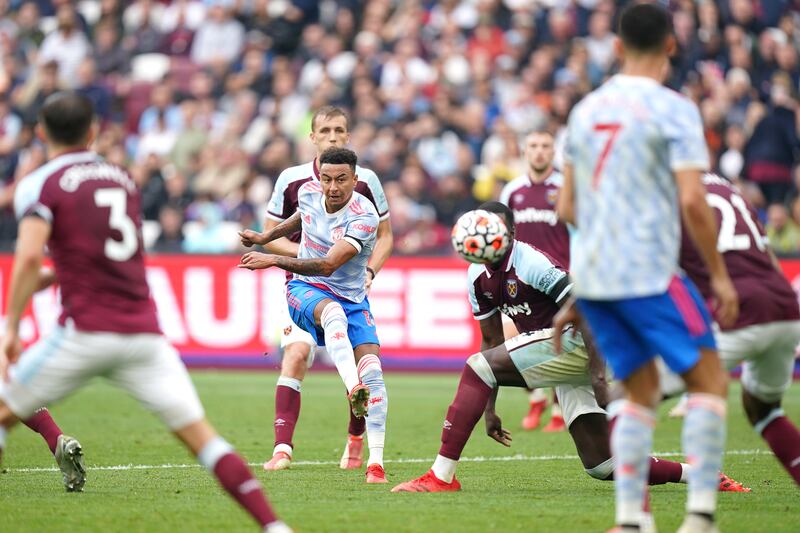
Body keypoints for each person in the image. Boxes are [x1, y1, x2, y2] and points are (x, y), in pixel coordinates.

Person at [0, 92, 289, 532]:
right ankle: (276, 528)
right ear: (93, 132)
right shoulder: (122, 178)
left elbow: (25, 258)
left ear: (40, 134)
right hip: (144, 337)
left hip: (83, 334)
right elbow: (90, 256)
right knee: (205, 442)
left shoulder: (39, 183)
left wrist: (11, 324)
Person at [391, 202, 744, 496]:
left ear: (511, 233)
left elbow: (587, 312)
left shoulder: (533, 263)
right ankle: (700, 473)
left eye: (495, 228)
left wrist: (598, 377)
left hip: (587, 343)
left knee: (475, 365)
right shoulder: (475, 276)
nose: (488, 235)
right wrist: (488, 408)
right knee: (602, 465)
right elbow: (491, 342)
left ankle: (441, 476)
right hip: (563, 353)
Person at [554, 5, 738, 533]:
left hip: (598, 277)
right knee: (709, 382)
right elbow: (694, 201)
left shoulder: (586, 110)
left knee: (636, 392)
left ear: (616, 46)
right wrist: (720, 275)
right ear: (671, 46)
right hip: (651, 272)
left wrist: (583, 287)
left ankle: (633, 521)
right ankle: (700, 516)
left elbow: (568, 207)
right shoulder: (674, 108)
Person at [240, 105, 392, 473]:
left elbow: (386, 236)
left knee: (364, 365)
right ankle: (282, 449)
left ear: (349, 135)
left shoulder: (366, 182)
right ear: (312, 137)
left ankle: (356, 440)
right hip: (303, 282)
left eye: (340, 130)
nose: (333, 137)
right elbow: (274, 233)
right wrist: (303, 252)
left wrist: (369, 269)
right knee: (295, 355)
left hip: (348, 283)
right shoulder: (293, 181)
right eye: (325, 131)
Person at [668, 173, 800, 486]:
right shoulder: (727, 187)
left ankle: (642, 519)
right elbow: (765, 251)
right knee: (762, 408)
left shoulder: (666, 193)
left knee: (629, 397)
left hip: (734, 311)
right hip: (783, 306)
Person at [500, 128, 570, 432]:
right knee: (512, 338)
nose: (539, 151)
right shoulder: (512, 191)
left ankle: (557, 409)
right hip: (520, 279)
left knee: (558, 342)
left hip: (557, 278)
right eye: (534, 146)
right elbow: (502, 234)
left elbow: (580, 230)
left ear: (553, 151)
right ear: (525, 151)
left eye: (545, 145)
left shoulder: (565, 187)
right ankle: (536, 397)